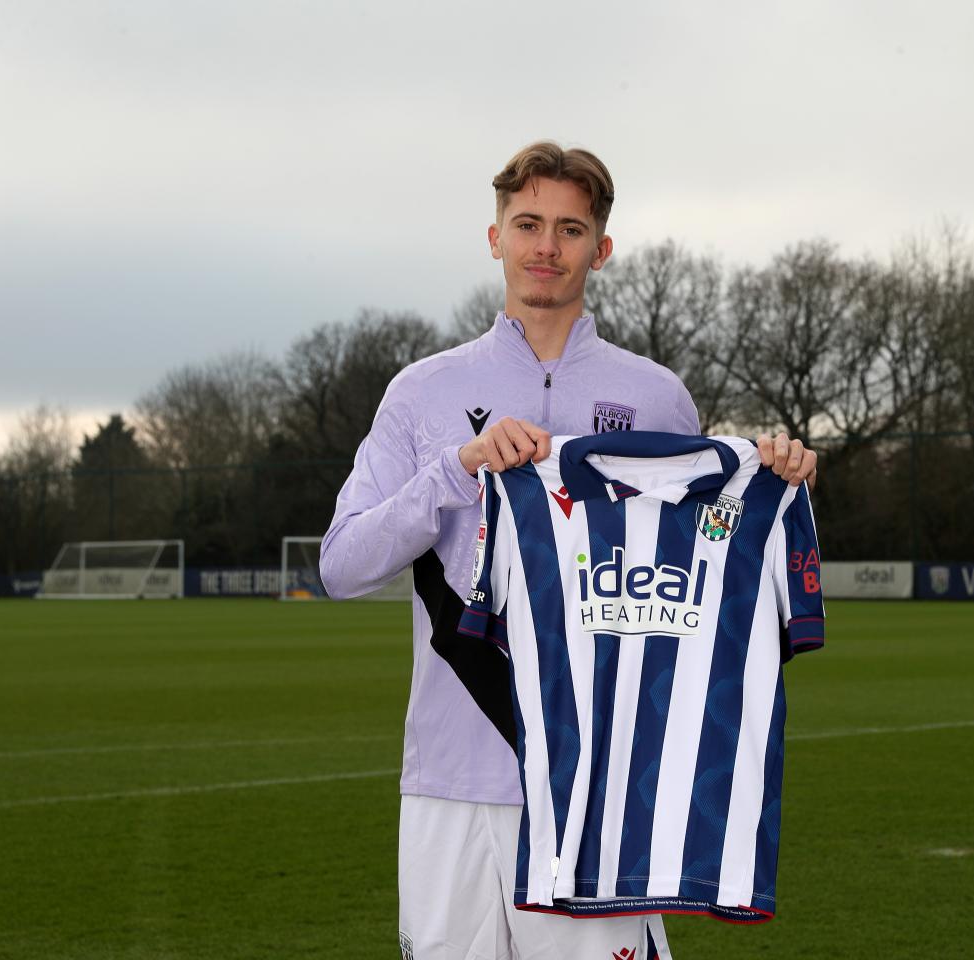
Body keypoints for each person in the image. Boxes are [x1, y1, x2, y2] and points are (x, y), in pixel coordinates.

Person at [321, 141, 817, 960]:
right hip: (453, 781)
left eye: (569, 228)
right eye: (527, 224)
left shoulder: (658, 397)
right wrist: (456, 469)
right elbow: (341, 566)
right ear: (494, 238)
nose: (546, 246)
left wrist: (777, 482)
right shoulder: (422, 392)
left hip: (603, 785)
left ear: (601, 248)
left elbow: (700, 577)